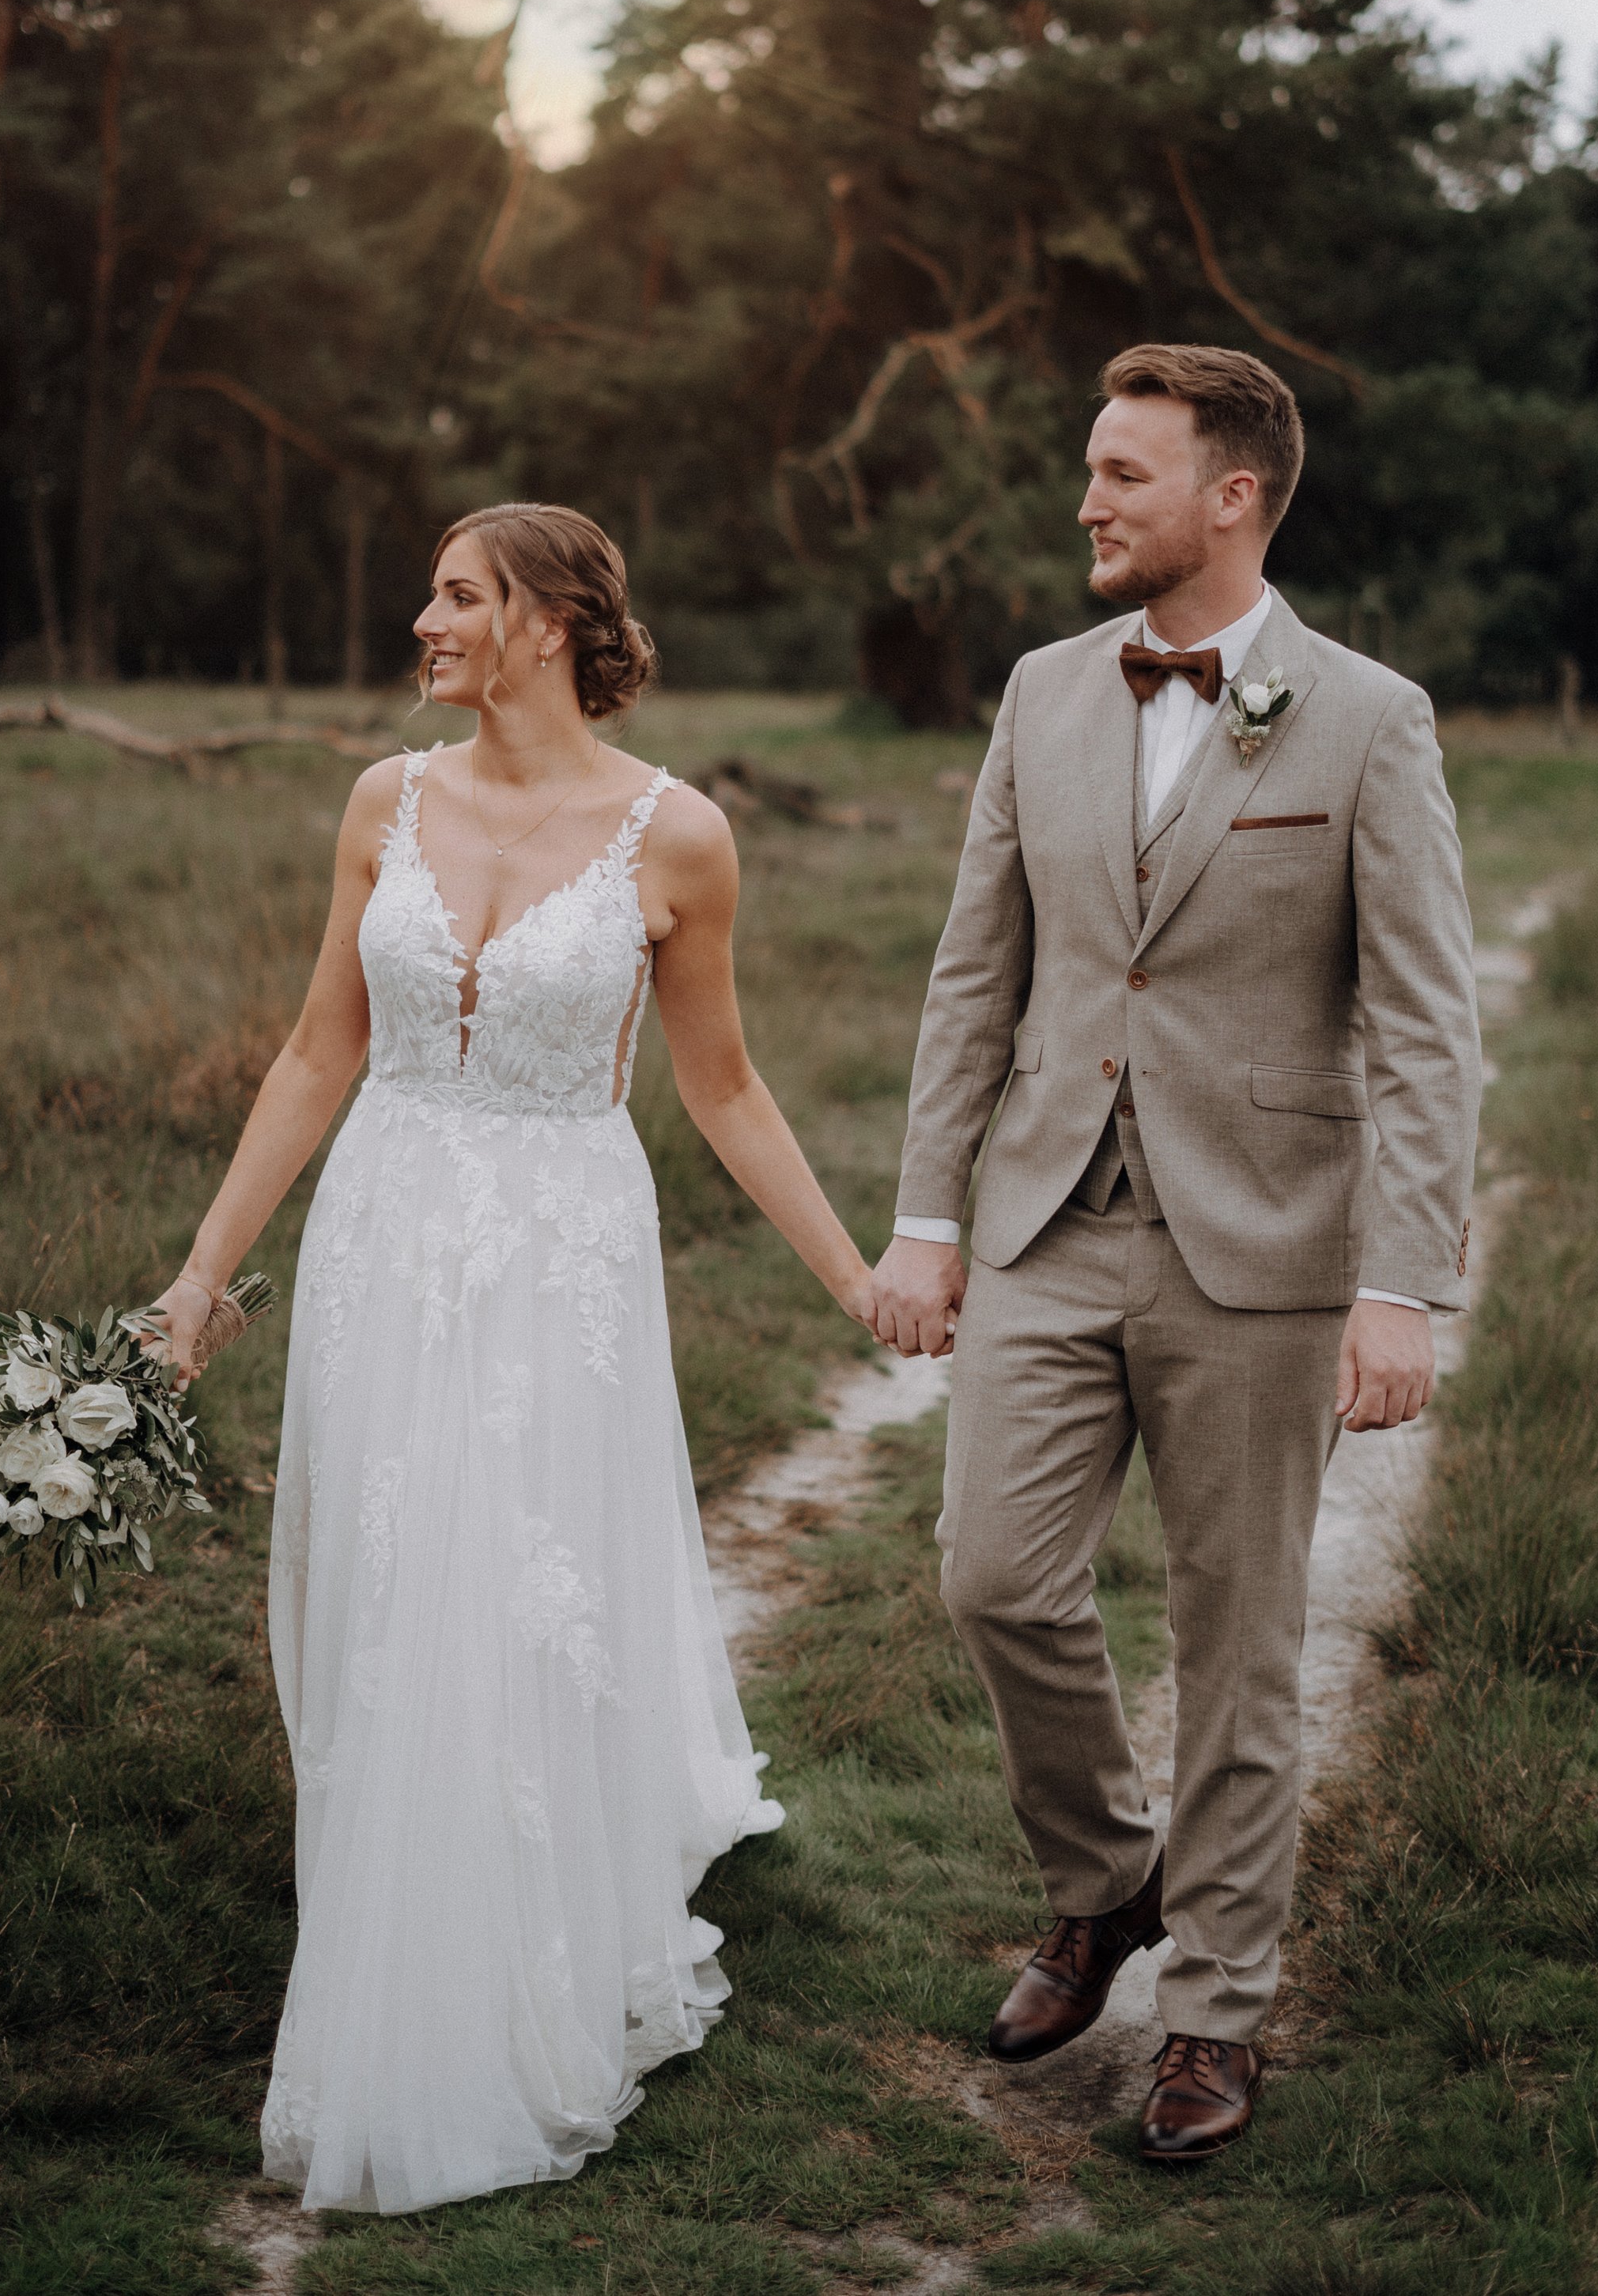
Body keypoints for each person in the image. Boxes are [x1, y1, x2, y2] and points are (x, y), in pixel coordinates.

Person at [139, 502, 873, 2215]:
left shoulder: (678, 837)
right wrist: (198, 1274)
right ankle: (390, 1927)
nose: (427, 619)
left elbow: (723, 1087)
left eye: (458, 595)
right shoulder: (381, 802)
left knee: (519, 1593)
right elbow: (316, 1053)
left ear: (548, 622)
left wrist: (854, 1280)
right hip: (383, 1236)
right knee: (393, 1589)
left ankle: (513, 1960)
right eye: (433, 593)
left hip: (561, 1259)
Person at [866, 345, 1480, 2165]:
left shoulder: (1367, 719)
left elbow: (1424, 1026)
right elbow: (976, 968)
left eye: (1121, 473)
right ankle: (1105, 1881)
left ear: (1231, 495)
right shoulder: (1040, 691)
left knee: (1236, 1641)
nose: (1086, 501)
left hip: (1265, 1246)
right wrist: (925, 1216)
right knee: (992, 1578)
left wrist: (1398, 1282)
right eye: (1090, 468)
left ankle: (1213, 2006)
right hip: (1047, 1222)